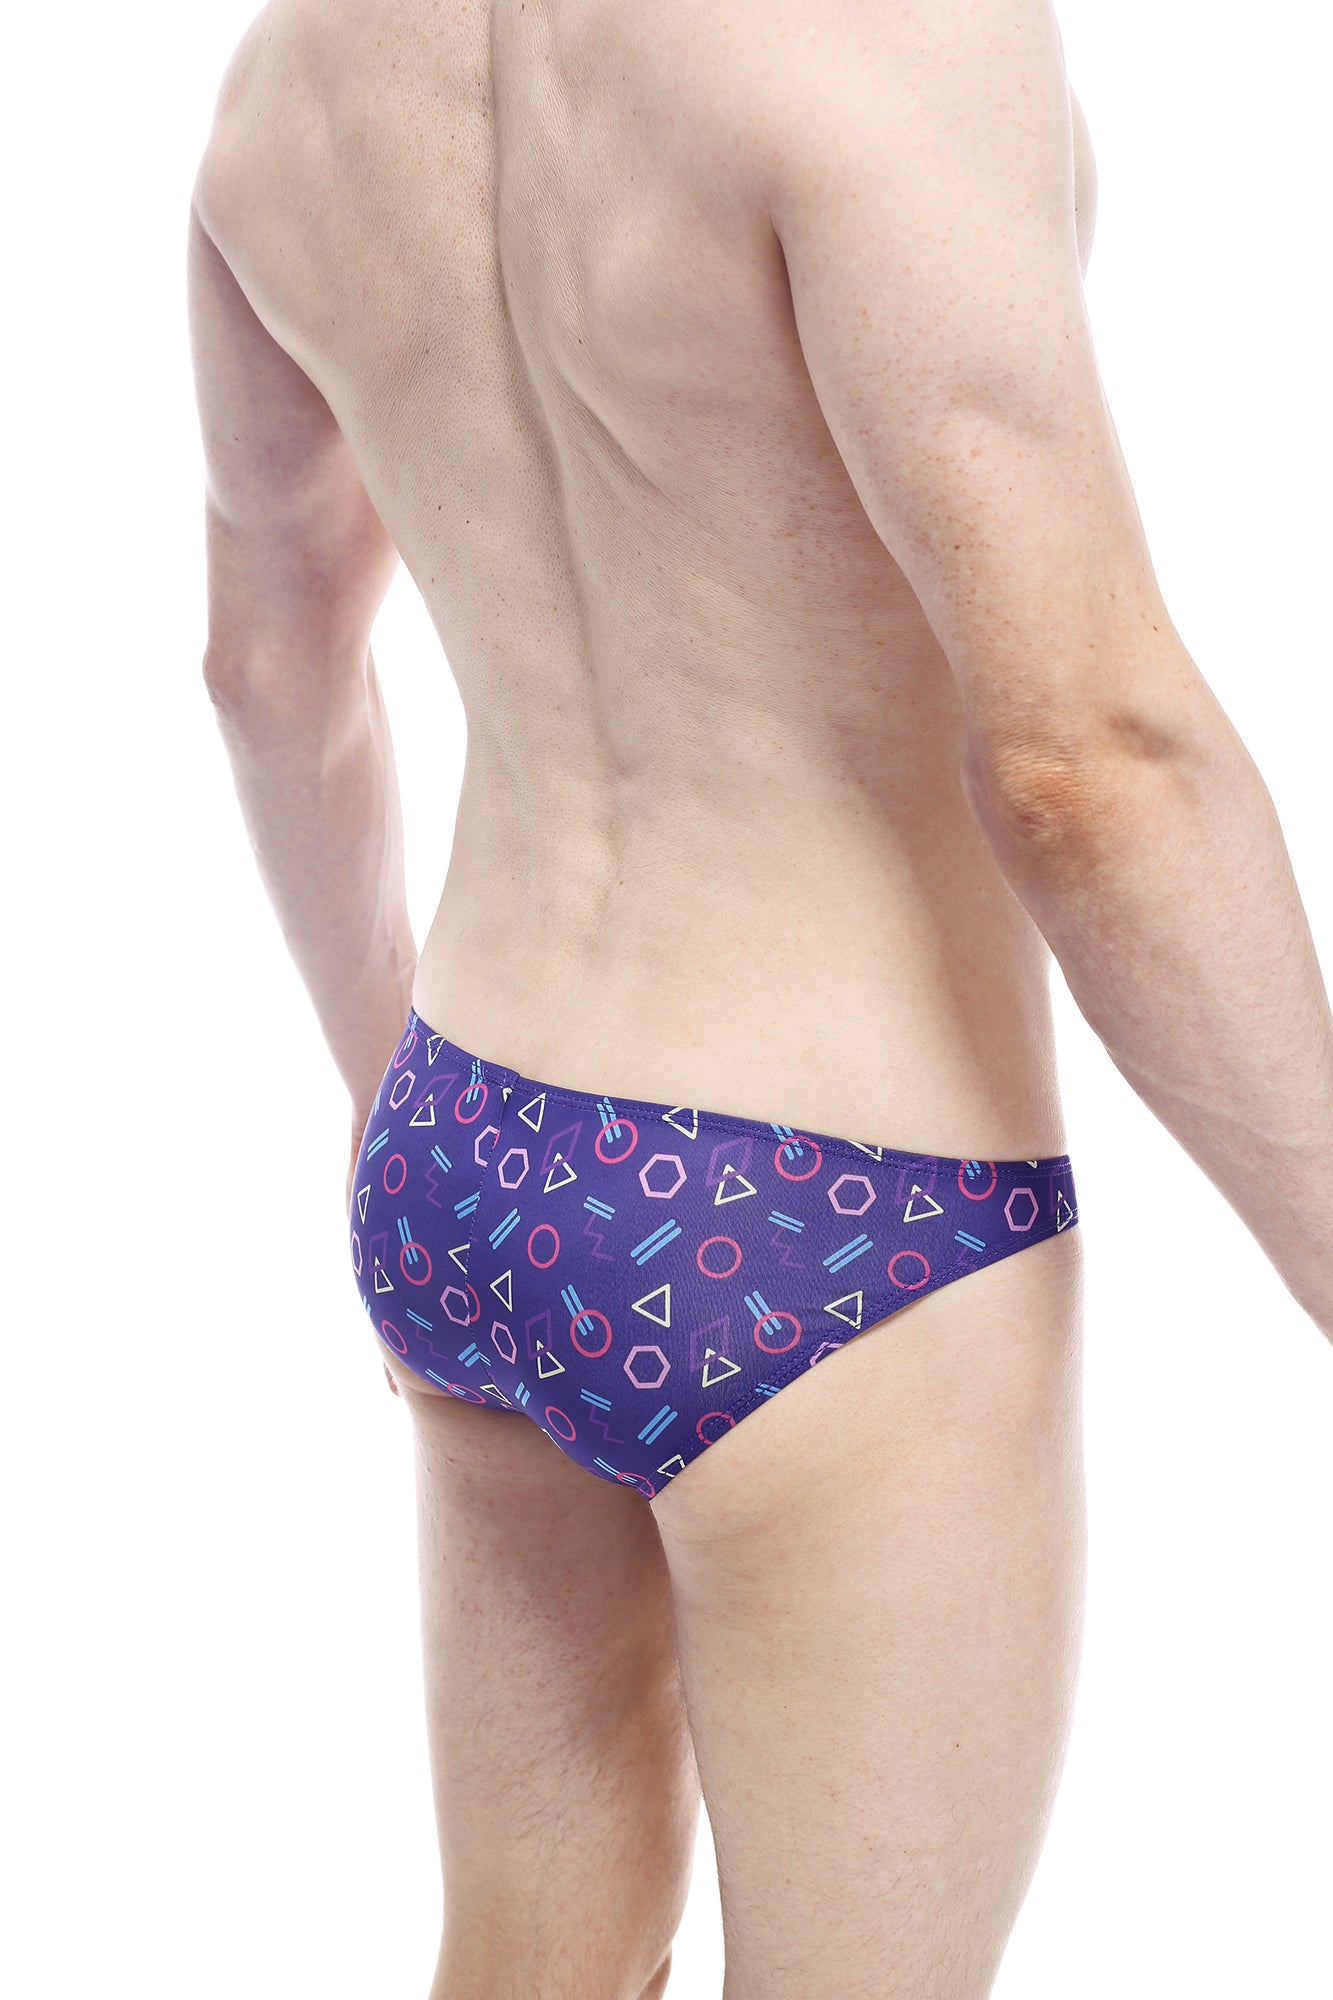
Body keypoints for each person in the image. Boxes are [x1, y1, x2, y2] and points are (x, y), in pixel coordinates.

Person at [187, 1, 1333, 1994]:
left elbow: (269, 670)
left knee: (528, 1964)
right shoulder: (881, 33)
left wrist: (388, 1112)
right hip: (838, 1216)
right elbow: (1082, 765)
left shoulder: (289, 77)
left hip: (468, 1134)